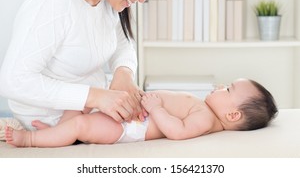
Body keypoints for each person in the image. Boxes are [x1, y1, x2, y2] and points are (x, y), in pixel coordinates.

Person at [0, 0, 171, 131]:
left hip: (89, 110)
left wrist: (124, 73)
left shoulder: (109, 1)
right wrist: (96, 97)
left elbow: (122, 43)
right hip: (51, 119)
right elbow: (13, 80)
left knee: (166, 109)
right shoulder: (56, 0)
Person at [5, 78, 278, 147]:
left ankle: (29, 140)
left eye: (227, 89)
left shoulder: (206, 120)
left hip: (130, 130)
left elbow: (177, 132)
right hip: (134, 117)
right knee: (83, 106)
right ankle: (56, 133)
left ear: (232, 115)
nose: (220, 87)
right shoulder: (206, 109)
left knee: (82, 126)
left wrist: (157, 108)